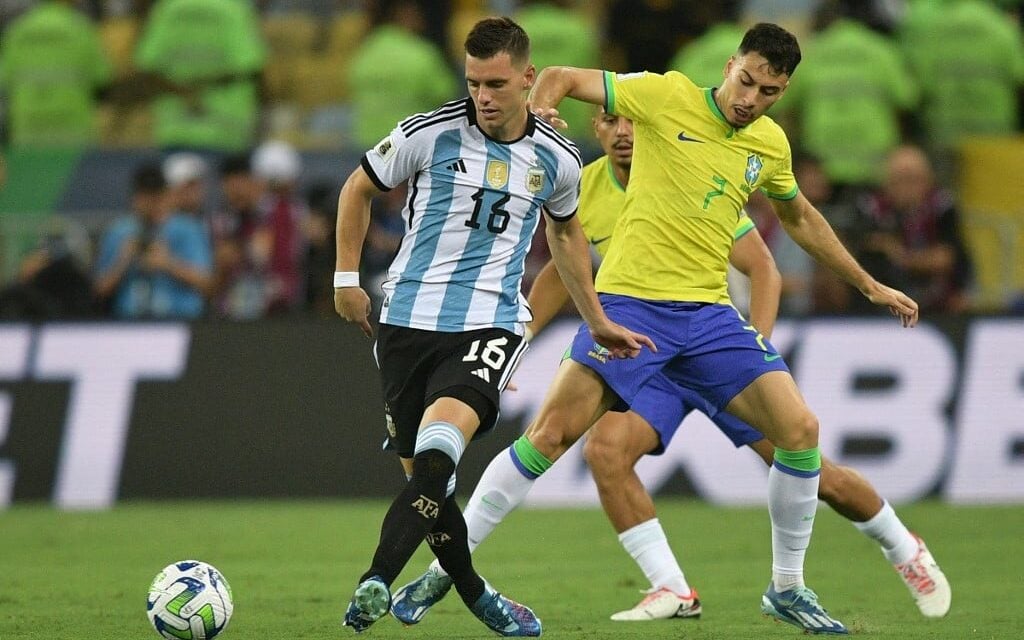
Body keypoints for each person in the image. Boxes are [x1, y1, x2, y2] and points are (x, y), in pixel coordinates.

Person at [387, 23, 924, 636]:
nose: (751, 98)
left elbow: (798, 217)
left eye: (769, 91)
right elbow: (562, 77)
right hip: (630, 307)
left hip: (709, 316)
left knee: (800, 432)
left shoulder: (770, 144)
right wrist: (538, 111)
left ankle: (788, 587)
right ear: (728, 65)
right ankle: (445, 569)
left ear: (784, 93)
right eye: (745, 80)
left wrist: (869, 285)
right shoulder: (664, 95)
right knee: (551, 434)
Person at [333, 17, 651, 636]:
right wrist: (347, 281)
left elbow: (565, 235)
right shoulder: (430, 132)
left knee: (437, 456)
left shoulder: (557, 156)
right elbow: (356, 189)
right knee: (430, 489)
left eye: (498, 84)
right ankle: (479, 595)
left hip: (492, 321)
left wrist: (597, 319)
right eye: (475, 82)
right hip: (405, 320)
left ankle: (376, 577)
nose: (483, 96)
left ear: (528, 79)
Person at [851, 144, 974, 314]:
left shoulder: (941, 206)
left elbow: (946, 257)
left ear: (928, 180)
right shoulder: (870, 207)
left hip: (937, 301)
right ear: (886, 181)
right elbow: (864, 251)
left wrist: (902, 256)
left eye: (914, 179)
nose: (907, 187)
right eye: (900, 179)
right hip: (880, 302)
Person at [94, 162, 213, 319]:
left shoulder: (188, 229)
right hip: (128, 322)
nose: (151, 203)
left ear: (166, 195)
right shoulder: (119, 232)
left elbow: (208, 284)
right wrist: (123, 262)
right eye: (145, 197)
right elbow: (99, 291)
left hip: (180, 319)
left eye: (156, 196)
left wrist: (167, 263)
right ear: (135, 198)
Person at [0, 0, 112, 147]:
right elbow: (102, 77)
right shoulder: (81, 28)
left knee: (32, 170)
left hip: (29, 127)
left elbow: (4, 80)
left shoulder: (17, 30)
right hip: (72, 127)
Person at [348, 0, 458, 150]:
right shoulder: (423, 54)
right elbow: (446, 95)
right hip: (410, 144)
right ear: (408, 14)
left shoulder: (364, 52)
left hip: (367, 144)